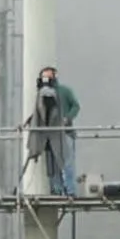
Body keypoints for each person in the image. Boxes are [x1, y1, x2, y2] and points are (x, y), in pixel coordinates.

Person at [27, 66, 80, 195]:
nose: (46, 80)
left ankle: (70, 190)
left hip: (65, 133)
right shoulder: (41, 94)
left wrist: (67, 118)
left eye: (49, 76)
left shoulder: (64, 91)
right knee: (53, 165)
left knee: (67, 162)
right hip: (49, 135)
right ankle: (57, 190)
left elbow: (75, 106)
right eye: (44, 77)